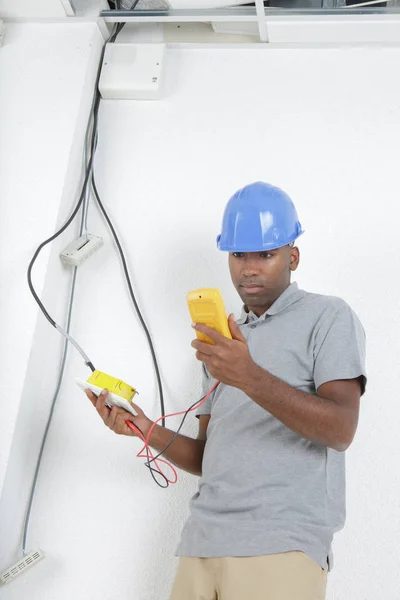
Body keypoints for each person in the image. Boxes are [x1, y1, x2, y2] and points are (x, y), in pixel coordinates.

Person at [86, 181, 366, 600]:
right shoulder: (223, 343)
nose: (249, 268)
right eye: (238, 254)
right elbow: (207, 456)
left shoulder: (327, 317)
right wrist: (145, 429)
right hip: (201, 545)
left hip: (280, 545)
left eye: (265, 254)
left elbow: (341, 429)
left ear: (293, 256)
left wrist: (248, 374)